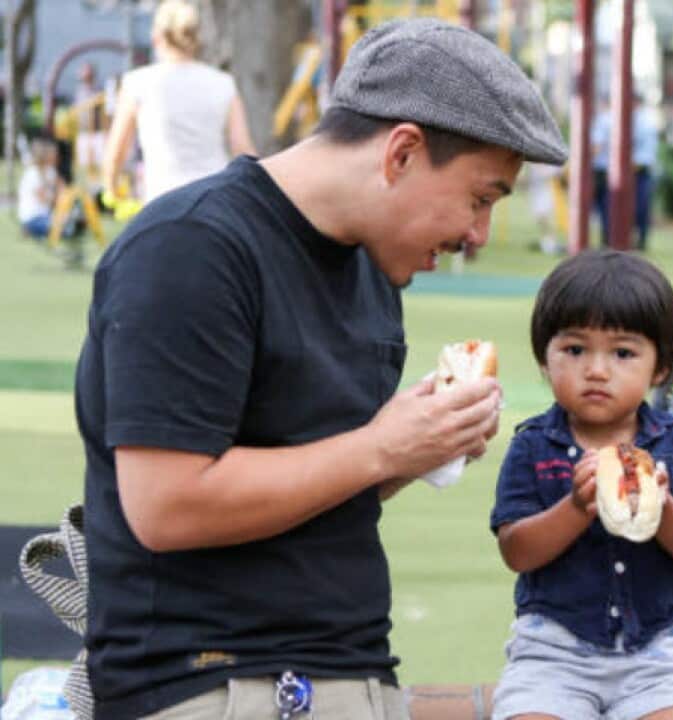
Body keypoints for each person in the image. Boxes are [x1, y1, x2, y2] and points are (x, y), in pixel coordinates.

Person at [75, 18, 567, 719]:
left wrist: (418, 448)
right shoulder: (191, 248)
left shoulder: (370, 270)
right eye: (480, 198)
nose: (477, 236)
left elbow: (317, 483)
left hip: (353, 672)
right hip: (213, 682)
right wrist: (380, 447)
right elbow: (166, 504)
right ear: (401, 153)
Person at [489, 249, 673, 720]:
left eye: (622, 352)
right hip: (553, 653)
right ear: (544, 358)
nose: (596, 370)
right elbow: (518, 552)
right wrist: (578, 506)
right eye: (575, 350)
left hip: (659, 657)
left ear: (659, 368)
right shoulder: (533, 446)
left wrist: (663, 508)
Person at [101, 0, 256, 204]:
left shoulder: (137, 83)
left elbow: (116, 153)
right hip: (215, 201)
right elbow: (242, 149)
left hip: (162, 201)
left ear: (157, 37)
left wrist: (113, 191)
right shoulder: (224, 83)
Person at [591, 93, 660, 250]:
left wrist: (625, 166)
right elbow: (596, 145)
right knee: (607, 208)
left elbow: (647, 154)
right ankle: (608, 240)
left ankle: (639, 241)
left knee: (639, 208)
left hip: (637, 173)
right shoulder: (606, 120)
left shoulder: (646, 123)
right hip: (608, 172)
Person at [18, 137, 64, 239]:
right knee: (61, 228)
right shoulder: (33, 174)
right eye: (53, 154)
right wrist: (60, 199)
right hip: (33, 217)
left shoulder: (50, 171)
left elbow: (61, 185)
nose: (56, 157)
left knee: (65, 223)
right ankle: (29, 229)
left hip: (45, 214)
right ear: (45, 157)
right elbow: (43, 198)